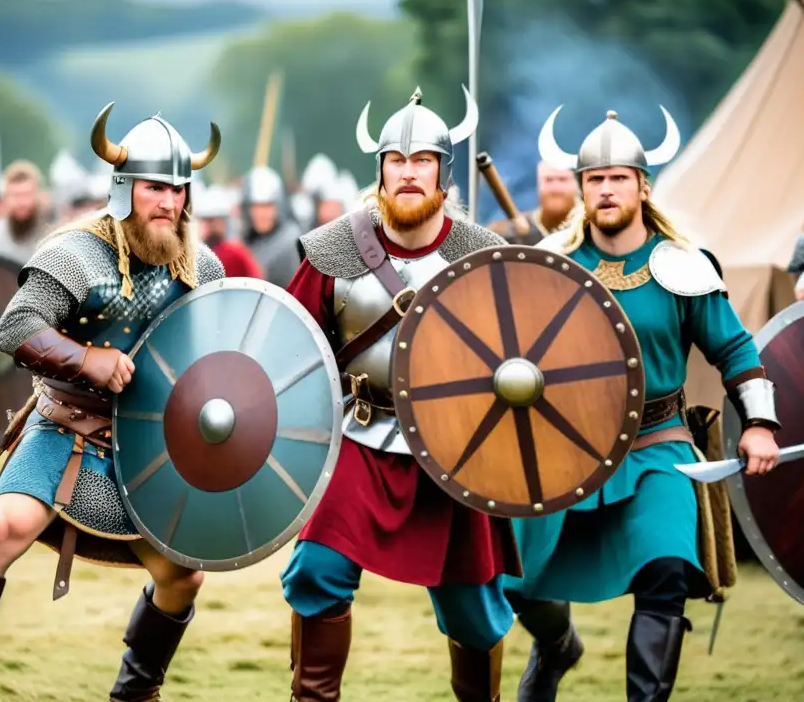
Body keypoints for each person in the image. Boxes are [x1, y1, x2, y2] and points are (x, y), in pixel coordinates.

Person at [0, 104, 226, 702]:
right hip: (65, 428)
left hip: (151, 446)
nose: (168, 201)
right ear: (124, 189)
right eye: (154, 187)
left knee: (183, 575)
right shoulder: (76, 252)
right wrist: (86, 358)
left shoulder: (203, 268)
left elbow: (223, 355)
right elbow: (16, 328)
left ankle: (136, 692)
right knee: (2, 526)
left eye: (178, 188)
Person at [505, 108, 782, 702]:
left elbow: (734, 347)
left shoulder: (682, 265)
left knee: (666, 573)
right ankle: (555, 645)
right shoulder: (550, 262)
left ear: (642, 186)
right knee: (514, 584)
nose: (605, 189)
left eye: (618, 178)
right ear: (580, 188)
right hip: (562, 451)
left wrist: (759, 421)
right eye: (594, 179)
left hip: (657, 447)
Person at [281, 87, 519, 701]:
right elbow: (289, 347)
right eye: (397, 161)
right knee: (318, 571)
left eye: (422, 162)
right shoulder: (332, 249)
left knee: (472, 607)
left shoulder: (481, 253)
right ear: (380, 171)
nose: (409, 173)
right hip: (359, 434)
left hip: (455, 446)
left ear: (442, 172)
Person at [0, 160, 48, 263]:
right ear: (5, 198)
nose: (22, 202)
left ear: (37, 195)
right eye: (16, 195)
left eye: (27, 194)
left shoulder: (54, 239)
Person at [488, 160, 578, 244]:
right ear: (538, 185)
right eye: (548, 180)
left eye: (562, 179)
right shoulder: (506, 232)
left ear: (576, 184)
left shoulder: (589, 227)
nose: (555, 188)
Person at [241, 165, 302, 287]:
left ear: (278, 206)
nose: (262, 214)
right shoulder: (242, 239)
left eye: (267, 206)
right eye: (256, 206)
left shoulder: (290, 241)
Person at [191, 181, 263, 277]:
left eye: (214, 220)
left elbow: (256, 280)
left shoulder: (237, 254)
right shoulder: (195, 255)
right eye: (206, 220)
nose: (211, 226)